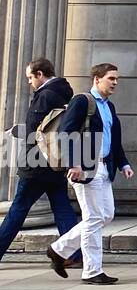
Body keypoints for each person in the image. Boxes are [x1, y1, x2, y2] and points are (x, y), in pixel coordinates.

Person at [46, 64, 133, 285]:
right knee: (94, 218)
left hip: (105, 168)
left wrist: (123, 164)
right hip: (84, 169)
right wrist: (73, 164)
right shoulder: (82, 101)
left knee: (106, 215)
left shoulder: (109, 107)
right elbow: (66, 133)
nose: (115, 83)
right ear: (97, 79)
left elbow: (114, 140)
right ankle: (93, 271)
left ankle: (58, 250)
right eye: (111, 78)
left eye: (116, 79)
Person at [0, 58, 79, 263]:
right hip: (56, 161)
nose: (29, 82)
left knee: (17, 210)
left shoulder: (45, 95)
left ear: (40, 75)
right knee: (62, 209)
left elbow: (33, 128)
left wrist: (14, 130)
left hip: (35, 164)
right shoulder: (65, 93)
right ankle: (72, 253)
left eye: (30, 77)